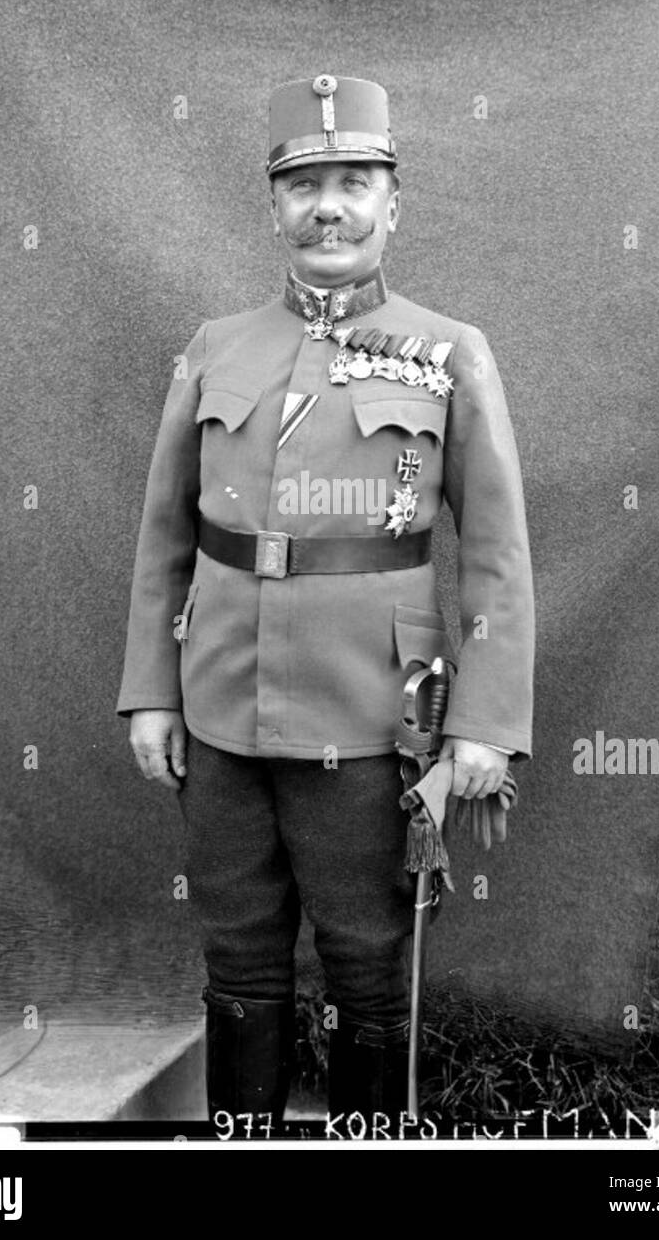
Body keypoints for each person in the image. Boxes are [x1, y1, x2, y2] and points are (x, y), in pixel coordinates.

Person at [117, 74, 535, 1127]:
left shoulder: (449, 353)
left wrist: (485, 723)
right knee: (237, 951)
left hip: (370, 717)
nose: (328, 206)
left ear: (393, 203)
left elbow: (492, 552)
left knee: (365, 957)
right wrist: (150, 695)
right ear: (272, 206)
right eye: (304, 184)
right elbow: (167, 534)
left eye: (354, 181)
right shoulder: (215, 347)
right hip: (216, 710)